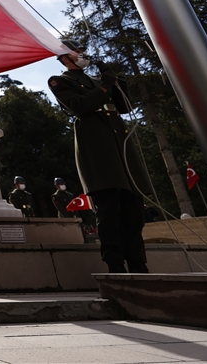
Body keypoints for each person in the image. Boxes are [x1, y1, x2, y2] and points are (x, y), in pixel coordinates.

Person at [48, 40, 153, 273]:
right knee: (109, 209)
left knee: (133, 210)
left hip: (120, 146)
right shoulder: (61, 81)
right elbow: (80, 106)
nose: (84, 55)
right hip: (97, 148)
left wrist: (114, 80)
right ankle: (115, 263)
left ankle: (137, 262)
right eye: (79, 52)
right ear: (65, 58)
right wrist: (105, 86)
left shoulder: (96, 81)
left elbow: (125, 107)